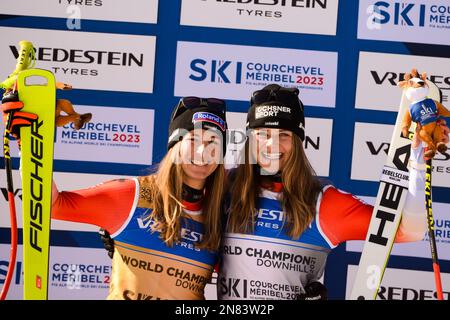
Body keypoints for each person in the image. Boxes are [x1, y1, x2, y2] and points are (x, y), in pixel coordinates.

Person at [217, 81, 449, 300]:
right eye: (262, 135)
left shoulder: (323, 203)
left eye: (284, 135)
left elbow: (409, 231)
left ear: (298, 143)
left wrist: (417, 158)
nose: (272, 145)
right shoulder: (224, 188)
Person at [51, 96, 228, 300]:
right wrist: (30, 140)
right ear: (174, 146)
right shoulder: (131, 194)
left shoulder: (219, 217)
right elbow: (52, 205)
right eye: (193, 140)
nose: (202, 151)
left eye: (213, 142)